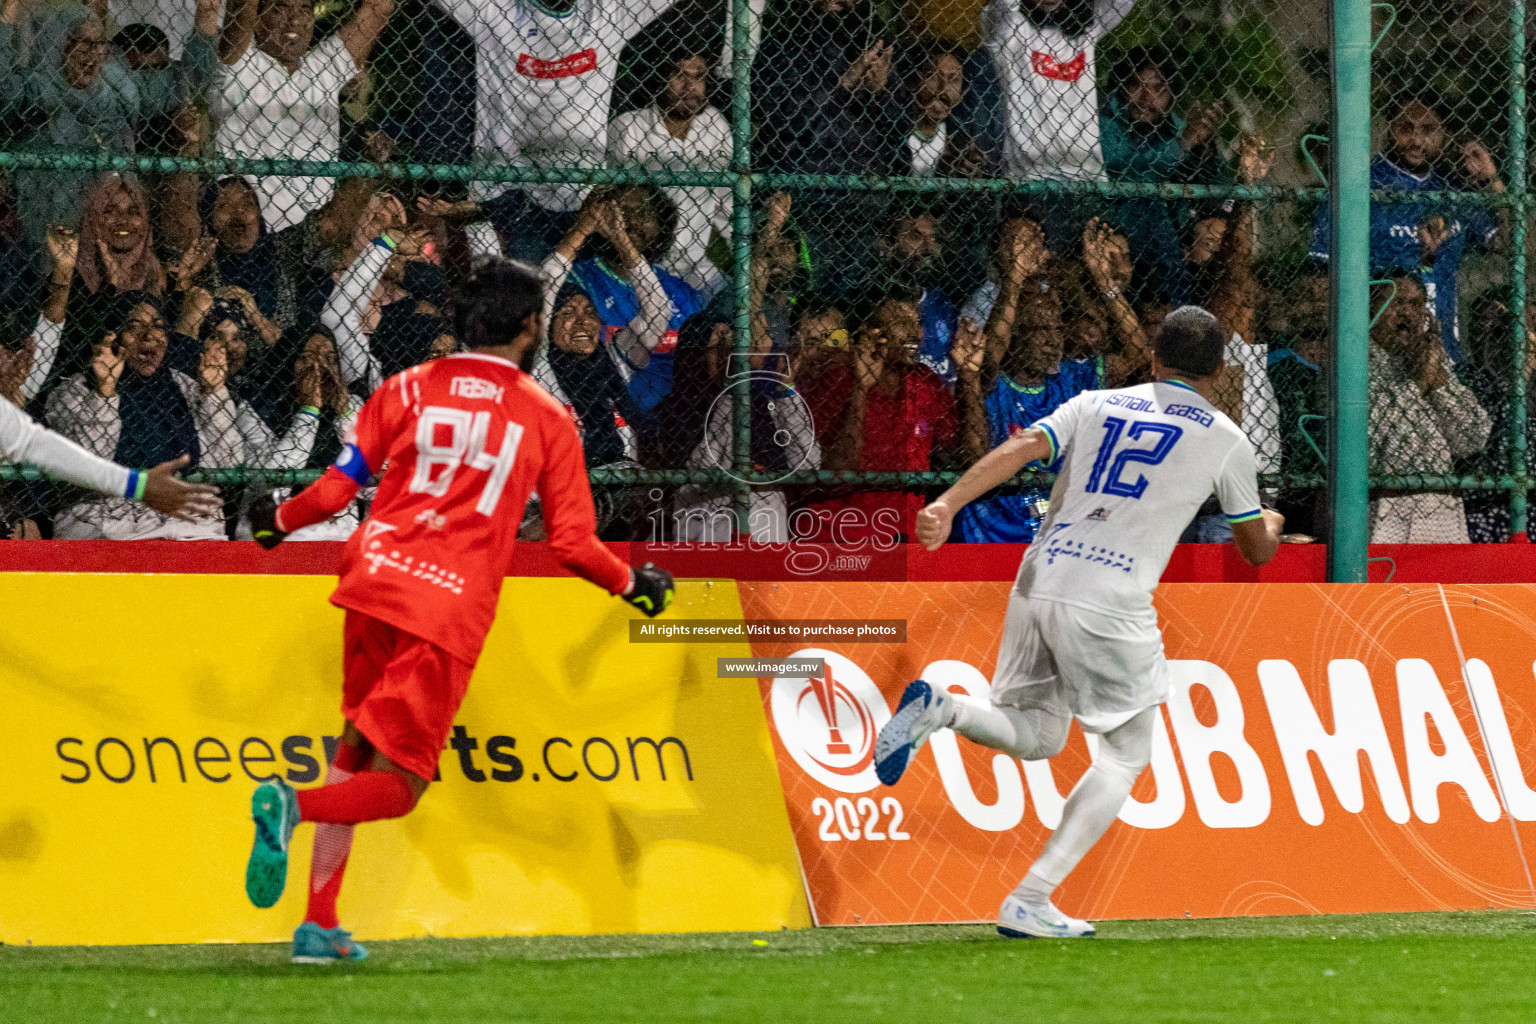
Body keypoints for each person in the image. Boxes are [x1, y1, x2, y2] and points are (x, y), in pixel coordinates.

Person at [239, 258, 675, 964]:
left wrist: (274, 523)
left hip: (371, 581)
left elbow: (332, 490)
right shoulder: (548, 416)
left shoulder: (405, 388)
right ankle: (291, 807)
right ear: (531, 326)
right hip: (444, 607)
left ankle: (319, 923)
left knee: (352, 752)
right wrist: (633, 585)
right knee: (401, 786)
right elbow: (571, 542)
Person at [874, 305, 1282, 939]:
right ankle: (1031, 897)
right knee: (1124, 756)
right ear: (1222, 371)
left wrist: (948, 502)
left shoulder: (1094, 402)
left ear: (1153, 359)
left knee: (1039, 735)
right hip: (1111, 598)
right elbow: (1255, 550)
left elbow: (1019, 446)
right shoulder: (1227, 438)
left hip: (1040, 578)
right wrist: (1273, 526)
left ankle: (943, 710)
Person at [434, 0, 677, 261]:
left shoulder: (607, 13)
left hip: (581, 199)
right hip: (505, 193)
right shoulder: (496, 12)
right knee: (507, 294)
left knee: (575, 295)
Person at [0, 0, 221, 244]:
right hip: (49, 225)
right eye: (80, 44)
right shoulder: (35, 88)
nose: (92, 53)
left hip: (116, 223)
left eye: (98, 44)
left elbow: (192, 80)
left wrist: (207, 13)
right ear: (56, 45)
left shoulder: (121, 87)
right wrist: (8, 16)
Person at [1308, 97, 1504, 363]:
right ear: (1389, 127)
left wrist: (1492, 181)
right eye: (1405, 128)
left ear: (1443, 132)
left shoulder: (1454, 191)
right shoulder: (1358, 186)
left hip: (1446, 356)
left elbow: (1513, 245)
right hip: (1377, 357)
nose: (1416, 140)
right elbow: (1320, 276)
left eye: (1428, 130)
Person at [45, 292, 241, 538]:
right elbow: (88, 470)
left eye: (158, 327)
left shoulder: (185, 385)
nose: (149, 335)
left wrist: (214, 394)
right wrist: (105, 393)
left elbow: (228, 461)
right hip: (110, 523)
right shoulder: (76, 390)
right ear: (112, 337)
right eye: (134, 327)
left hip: (185, 524)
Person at [215, 0, 394, 230]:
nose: (295, 20)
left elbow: (378, 8)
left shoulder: (322, 67)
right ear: (257, 22)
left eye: (304, 10)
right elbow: (241, 14)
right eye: (281, 9)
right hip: (252, 228)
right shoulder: (238, 66)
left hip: (314, 235)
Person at [1366, 274, 1490, 543]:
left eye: (1416, 304)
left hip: (1438, 509)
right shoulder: (1355, 362)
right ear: (1371, 310)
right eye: (1397, 303)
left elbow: (1474, 437)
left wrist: (1436, 380)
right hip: (1382, 507)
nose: (1407, 313)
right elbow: (1369, 443)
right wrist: (1420, 381)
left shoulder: (1431, 358)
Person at [606, 40, 732, 299]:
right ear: (659, 77)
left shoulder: (715, 125)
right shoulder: (630, 128)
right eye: (679, 75)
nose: (690, 87)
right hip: (641, 260)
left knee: (730, 303)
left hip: (695, 264)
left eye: (699, 77)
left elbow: (724, 201)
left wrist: (744, 254)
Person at [980, 0, 1135, 201]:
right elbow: (1001, 6)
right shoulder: (1011, 30)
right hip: (1027, 180)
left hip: (1086, 179)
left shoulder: (1088, 30)